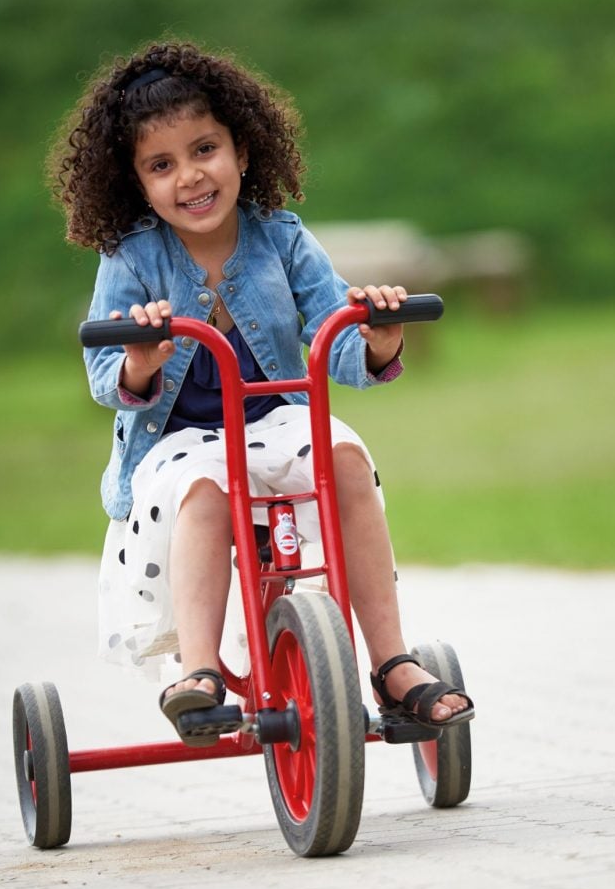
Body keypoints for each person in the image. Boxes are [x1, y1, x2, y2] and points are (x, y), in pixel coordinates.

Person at [49, 40, 473, 746]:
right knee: (207, 489)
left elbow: (334, 340)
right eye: (161, 164)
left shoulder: (281, 237)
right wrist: (139, 359)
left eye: (204, 149)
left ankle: (391, 661)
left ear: (241, 150)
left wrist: (378, 339)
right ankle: (201, 670)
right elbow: (107, 384)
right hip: (178, 445)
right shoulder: (130, 255)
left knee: (342, 455)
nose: (189, 176)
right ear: (137, 183)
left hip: (276, 420)